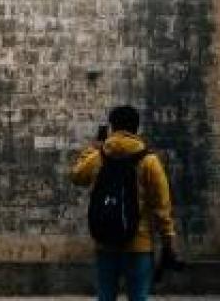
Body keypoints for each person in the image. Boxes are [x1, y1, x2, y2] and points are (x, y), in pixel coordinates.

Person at [71, 105, 179, 301]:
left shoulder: (99, 157)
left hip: (105, 241)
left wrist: (93, 147)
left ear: (112, 127)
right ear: (136, 128)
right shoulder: (149, 161)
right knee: (138, 297)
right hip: (139, 243)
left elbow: (77, 175)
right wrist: (168, 241)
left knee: (105, 296)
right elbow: (162, 207)